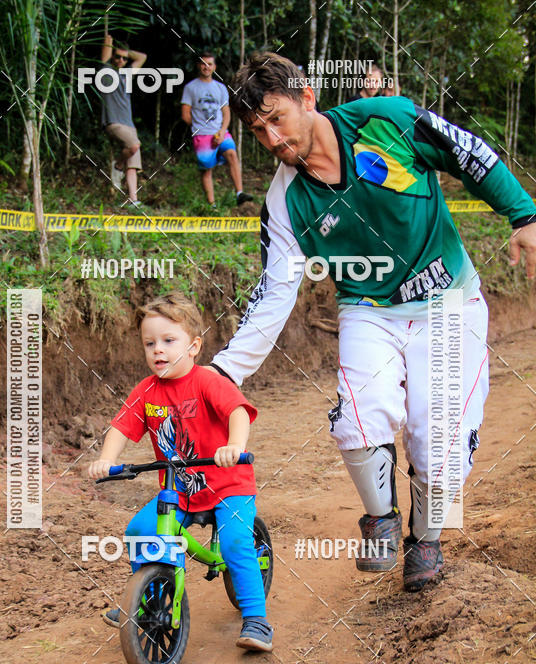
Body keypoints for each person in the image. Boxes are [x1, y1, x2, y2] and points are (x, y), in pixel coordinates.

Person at [206, 51, 536, 592]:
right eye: (257, 129)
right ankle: (380, 518)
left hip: (447, 300)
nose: (270, 138)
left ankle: (425, 541)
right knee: (358, 419)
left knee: (439, 440)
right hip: (368, 308)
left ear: (308, 97)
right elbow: (274, 294)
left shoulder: (388, 119)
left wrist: (524, 215)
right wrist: (225, 371)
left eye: (276, 118)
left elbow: (468, 155)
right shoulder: (285, 200)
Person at [88, 292, 273, 652]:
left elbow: (237, 411)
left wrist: (234, 446)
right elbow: (122, 428)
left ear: (194, 346)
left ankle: (256, 619)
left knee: (236, 542)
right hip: (180, 491)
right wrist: (105, 460)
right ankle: (148, 599)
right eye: (150, 343)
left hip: (228, 483)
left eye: (169, 341)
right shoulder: (146, 392)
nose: (159, 350)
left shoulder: (208, 381)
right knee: (140, 531)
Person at [181, 52, 253, 208]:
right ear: (199, 65)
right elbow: (185, 114)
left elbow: (226, 112)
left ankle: (239, 193)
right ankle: (212, 205)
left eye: (210, 64)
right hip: (202, 134)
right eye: (203, 63)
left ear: (214, 67)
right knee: (207, 169)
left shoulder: (220, 88)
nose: (206, 67)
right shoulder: (190, 88)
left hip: (220, 131)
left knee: (232, 154)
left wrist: (222, 131)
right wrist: (198, 127)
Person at [99, 34, 147, 207]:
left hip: (129, 124)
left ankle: (133, 200)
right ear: (112, 56)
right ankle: (118, 165)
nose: (120, 60)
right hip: (113, 122)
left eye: (124, 58)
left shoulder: (127, 75)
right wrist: (110, 42)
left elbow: (142, 57)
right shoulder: (105, 73)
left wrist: (126, 51)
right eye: (117, 56)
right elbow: (106, 46)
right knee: (134, 146)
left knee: (133, 164)